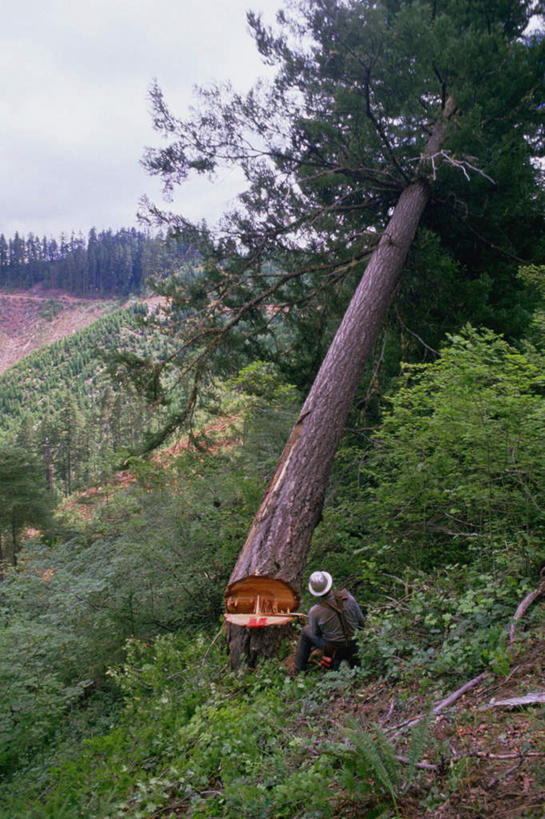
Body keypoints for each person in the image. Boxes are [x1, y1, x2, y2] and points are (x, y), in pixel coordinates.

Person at [294, 570, 365, 673]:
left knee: (306, 631)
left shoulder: (315, 611)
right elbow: (361, 622)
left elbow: (316, 633)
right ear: (329, 585)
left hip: (335, 650)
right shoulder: (349, 598)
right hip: (354, 645)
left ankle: (298, 668)